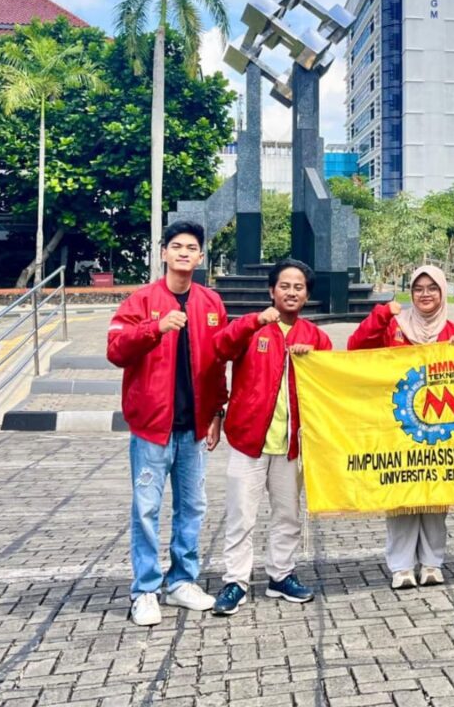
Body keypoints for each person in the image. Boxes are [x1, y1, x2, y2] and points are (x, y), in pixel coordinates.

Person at [107, 221, 227, 626]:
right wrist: (153, 329)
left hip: (193, 427)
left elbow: (217, 363)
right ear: (163, 253)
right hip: (152, 428)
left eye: (191, 247)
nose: (183, 253)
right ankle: (144, 590)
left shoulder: (211, 303)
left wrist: (217, 412)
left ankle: (181, 582)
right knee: (146, 509)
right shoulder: (140, 301)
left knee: (192, 507)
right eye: (176, 246)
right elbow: (115, 350)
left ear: (200, 256)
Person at [212, 258, 333, 616]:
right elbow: (220, 348)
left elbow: (331, 382)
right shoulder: (253, 327)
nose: (291, 292)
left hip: (291, 445)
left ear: (307, 295)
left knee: (288, 515)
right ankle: (235, 581)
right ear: (271, 291)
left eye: (298, 287)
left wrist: (315, 358)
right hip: (249, 441)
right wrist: (253, 321)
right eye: (285, 286)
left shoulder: (316, 337)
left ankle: (281, 575)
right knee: (241, 515)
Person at [347, 265, 454, 590]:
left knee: (435, 497)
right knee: (401, 495)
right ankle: (401, 567)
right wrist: (381, 315)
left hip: (439, 428)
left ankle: (432, 563)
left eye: (432, 288)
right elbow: (355, 348)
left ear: (442, 292)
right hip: (398, 426)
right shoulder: (394, 326)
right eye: (418, 289)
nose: (425, 294)